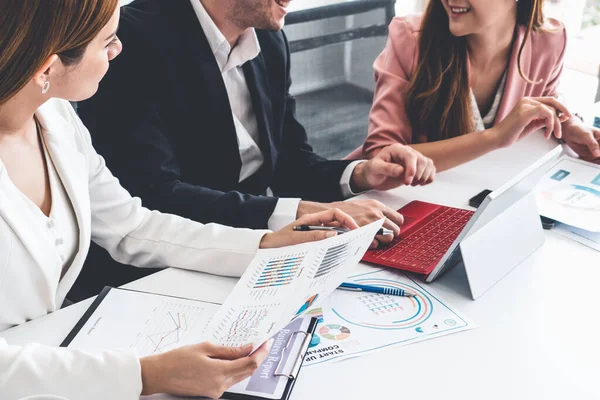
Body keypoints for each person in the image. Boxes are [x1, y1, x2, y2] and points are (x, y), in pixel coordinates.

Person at [0, 1, 360, 398]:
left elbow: (132, 226)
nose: (118, 50)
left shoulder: (56, 117)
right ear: (47, 69)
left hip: (56, 356)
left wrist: (262, 245)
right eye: (107, 42)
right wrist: (144, 376)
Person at [72, 0, 437, 299]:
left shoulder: (269, 40)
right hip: (151, 276)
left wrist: (359, 172)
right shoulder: (133, 40)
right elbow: (153, 194)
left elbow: (289, 161)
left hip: (250, 254)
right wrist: (296, 213)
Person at [349, 0, 600, 172]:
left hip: (484, 193)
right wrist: (493, 138)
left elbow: (544, 101)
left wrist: (569, 125)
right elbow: (380, 157)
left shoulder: (550, 40)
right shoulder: (409, 39)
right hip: (406, 204)